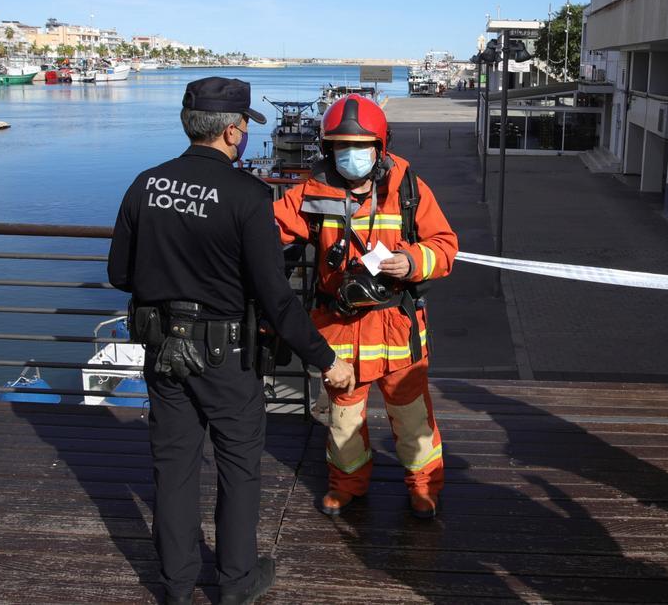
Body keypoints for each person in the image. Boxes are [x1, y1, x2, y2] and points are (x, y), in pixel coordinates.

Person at [107, 77, 355, 605]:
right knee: (239, 468)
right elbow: (276, 298)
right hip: (227, 356)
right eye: (243, 126)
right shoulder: (247, 196)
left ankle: (175, 588)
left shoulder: (144, 183)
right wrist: (325, 360)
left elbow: (119, 275)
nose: (243, 135)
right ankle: (237, 583)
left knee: (172, 469)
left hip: (162, 350)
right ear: (234, 131)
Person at [273, 93, 458, 519]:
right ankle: (347, 484)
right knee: (342, 420)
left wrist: (412, 261)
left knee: (412, 419)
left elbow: (445, 247)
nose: (350, 154)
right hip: (339, 327)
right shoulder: (312, 192)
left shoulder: (409, 189)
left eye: (360, 146)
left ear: (380, 147)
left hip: (396, 327)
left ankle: (424, 488)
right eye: (341, 146)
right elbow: (271, 229)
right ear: (327, 148)